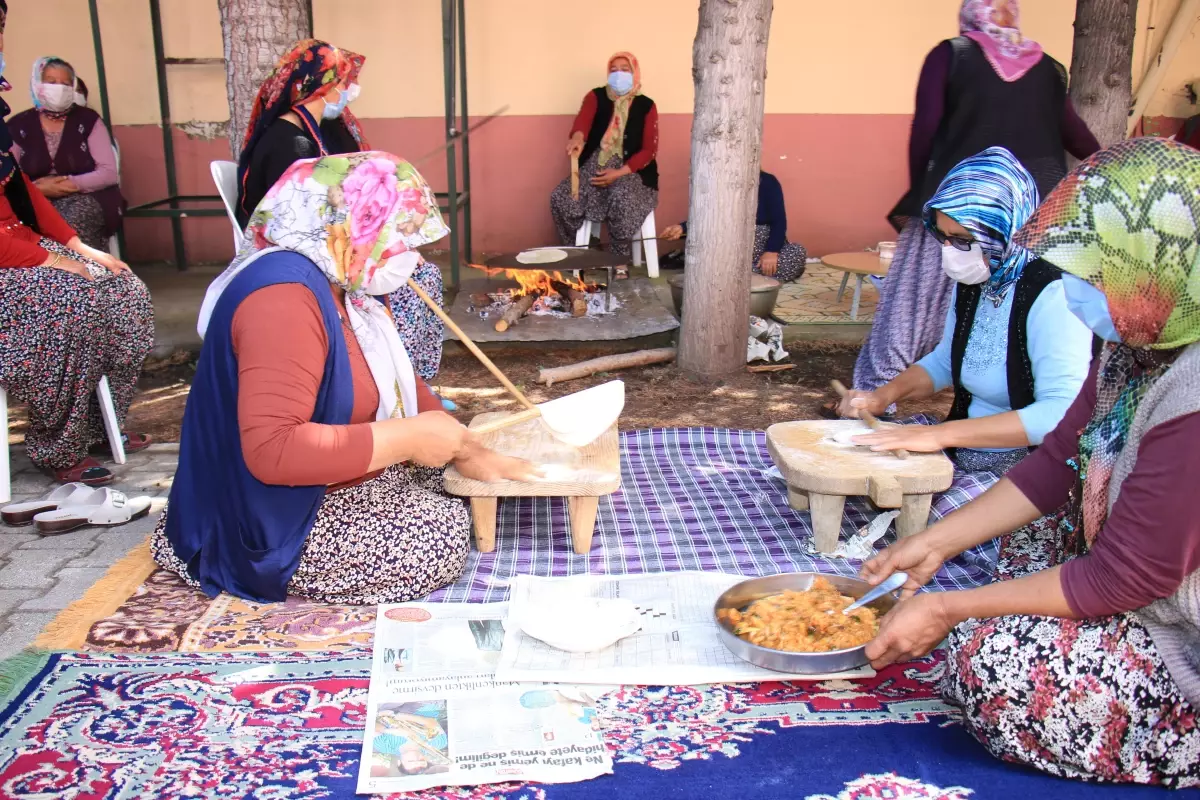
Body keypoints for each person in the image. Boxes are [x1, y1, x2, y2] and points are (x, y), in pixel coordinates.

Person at [860, 138, 1200, 786]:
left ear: (1153, 263)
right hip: (1136, 587)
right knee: (1012, 554)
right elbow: (1057, 463)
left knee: (983, 665)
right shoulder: (1131, 348)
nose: (1072, 286)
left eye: (1090, 270)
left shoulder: (1193, 395)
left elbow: (1120, 580)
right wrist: (933, 543)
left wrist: (952, 609)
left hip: (1185, 642)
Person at [153, 153, 536, 605]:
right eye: (397, 239)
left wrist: (464, 445)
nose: (408, 257)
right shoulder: (282, 299)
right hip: (261, 509)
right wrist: (411, 439)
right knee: (432, 542)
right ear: (349, 225)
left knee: (467, 477)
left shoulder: (343, 281)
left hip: (322, 476)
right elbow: (272, 451)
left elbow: (398, 381)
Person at [851, 0, 1101, 397]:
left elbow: (926, 126)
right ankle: (1008, 386)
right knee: (1014, 295)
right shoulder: (1046, 67)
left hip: (959, 202)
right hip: (1028, 207)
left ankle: (877, 391)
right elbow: (1072, 131)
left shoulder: (951, 55)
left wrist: (924, 194)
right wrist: (1107, 163)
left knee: (913, 301)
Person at [838, 148, 1092, 477]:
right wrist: (881, 397)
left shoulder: (1054, 295)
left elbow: (1059, 414)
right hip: (966, 449)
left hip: (1031, 471)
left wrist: (939, 435)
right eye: (943, 237)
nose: (950, 252)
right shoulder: (977, 281)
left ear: (1005, 230)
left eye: (963, 239)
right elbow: (947, 360)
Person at [234, 39, 446, 381]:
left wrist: (391, 246)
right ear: (324, 87)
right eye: (344, 84)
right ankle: (392, 384)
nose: (349, 91)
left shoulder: (314, 131)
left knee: (422, 273)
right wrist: (383, 254)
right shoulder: (290, 144)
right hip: (302, 255)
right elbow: (307, 225)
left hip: (328, 245)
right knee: (411, 282)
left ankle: (412, 385)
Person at [0, 28, 154, 486]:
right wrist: (50, 263)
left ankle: (98, 427)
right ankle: (56, 444)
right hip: (10, 261)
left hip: (19, 244)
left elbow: (22, 190)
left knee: (125, 289)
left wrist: (78, 246)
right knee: (71, 299)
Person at [550, 52, 658, 277]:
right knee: (561, 198)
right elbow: (583, 122)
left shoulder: (646, 105)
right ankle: (585, 251)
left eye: (625, 69)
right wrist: (577, 138)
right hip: (596, 163)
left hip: (632, 169)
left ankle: (619, 259)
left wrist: (619, 173)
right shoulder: (596, 96)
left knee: (621, 197)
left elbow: (649, 149)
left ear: (635, 72)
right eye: (614, 69)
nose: (619, 74)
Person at [7, 57, 125, 251]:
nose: (59, 89)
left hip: (86, 195)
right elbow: (9, 174)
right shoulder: (18, 125)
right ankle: (42, 280)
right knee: (21, 223)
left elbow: (108, 172)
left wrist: (69, 184)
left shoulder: (89, 121)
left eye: (66, 83)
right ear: (37, 84)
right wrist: (35, 189)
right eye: (51, 82)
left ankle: (87, 278)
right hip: (32, 195)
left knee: (70, 222)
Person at [661, 171, 807, 282]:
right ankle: (743, 275)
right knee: (708, 256)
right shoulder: (721, 183)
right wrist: (682, 228)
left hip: (763, 249)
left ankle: (736, 275)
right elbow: (708, 216)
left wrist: (771, 252)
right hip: (730, 250)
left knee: (797, 253)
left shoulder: (768, 182)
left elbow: (779, 220)